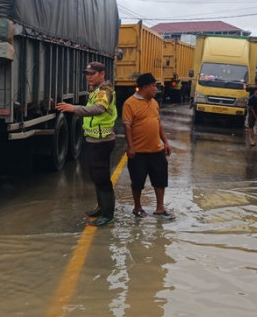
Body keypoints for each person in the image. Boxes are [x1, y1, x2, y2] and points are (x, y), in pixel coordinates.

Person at [56, 61, 117, 227]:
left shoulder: (105, 91)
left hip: (102, 141)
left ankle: (108, 213)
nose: (89, 77)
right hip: (94, 139)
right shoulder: (96, 90)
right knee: (96, 175)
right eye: (87, 74)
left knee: (102, 177)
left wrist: (74, 109)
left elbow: (99, 109)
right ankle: (101, 207)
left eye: (93, 74)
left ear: (102, 74)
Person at [122, 73, 175, 220]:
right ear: (145, 87)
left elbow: (158, 123)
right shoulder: (129, 103)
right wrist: (130, 147)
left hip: (156, 150)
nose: (156, 90)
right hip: (138, 152)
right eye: (154, 86)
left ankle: (160, 208)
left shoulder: (154, 103)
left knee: (160, 179)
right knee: (138, 181)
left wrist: (166, 142)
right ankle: (137, 208)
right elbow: (127, 127)